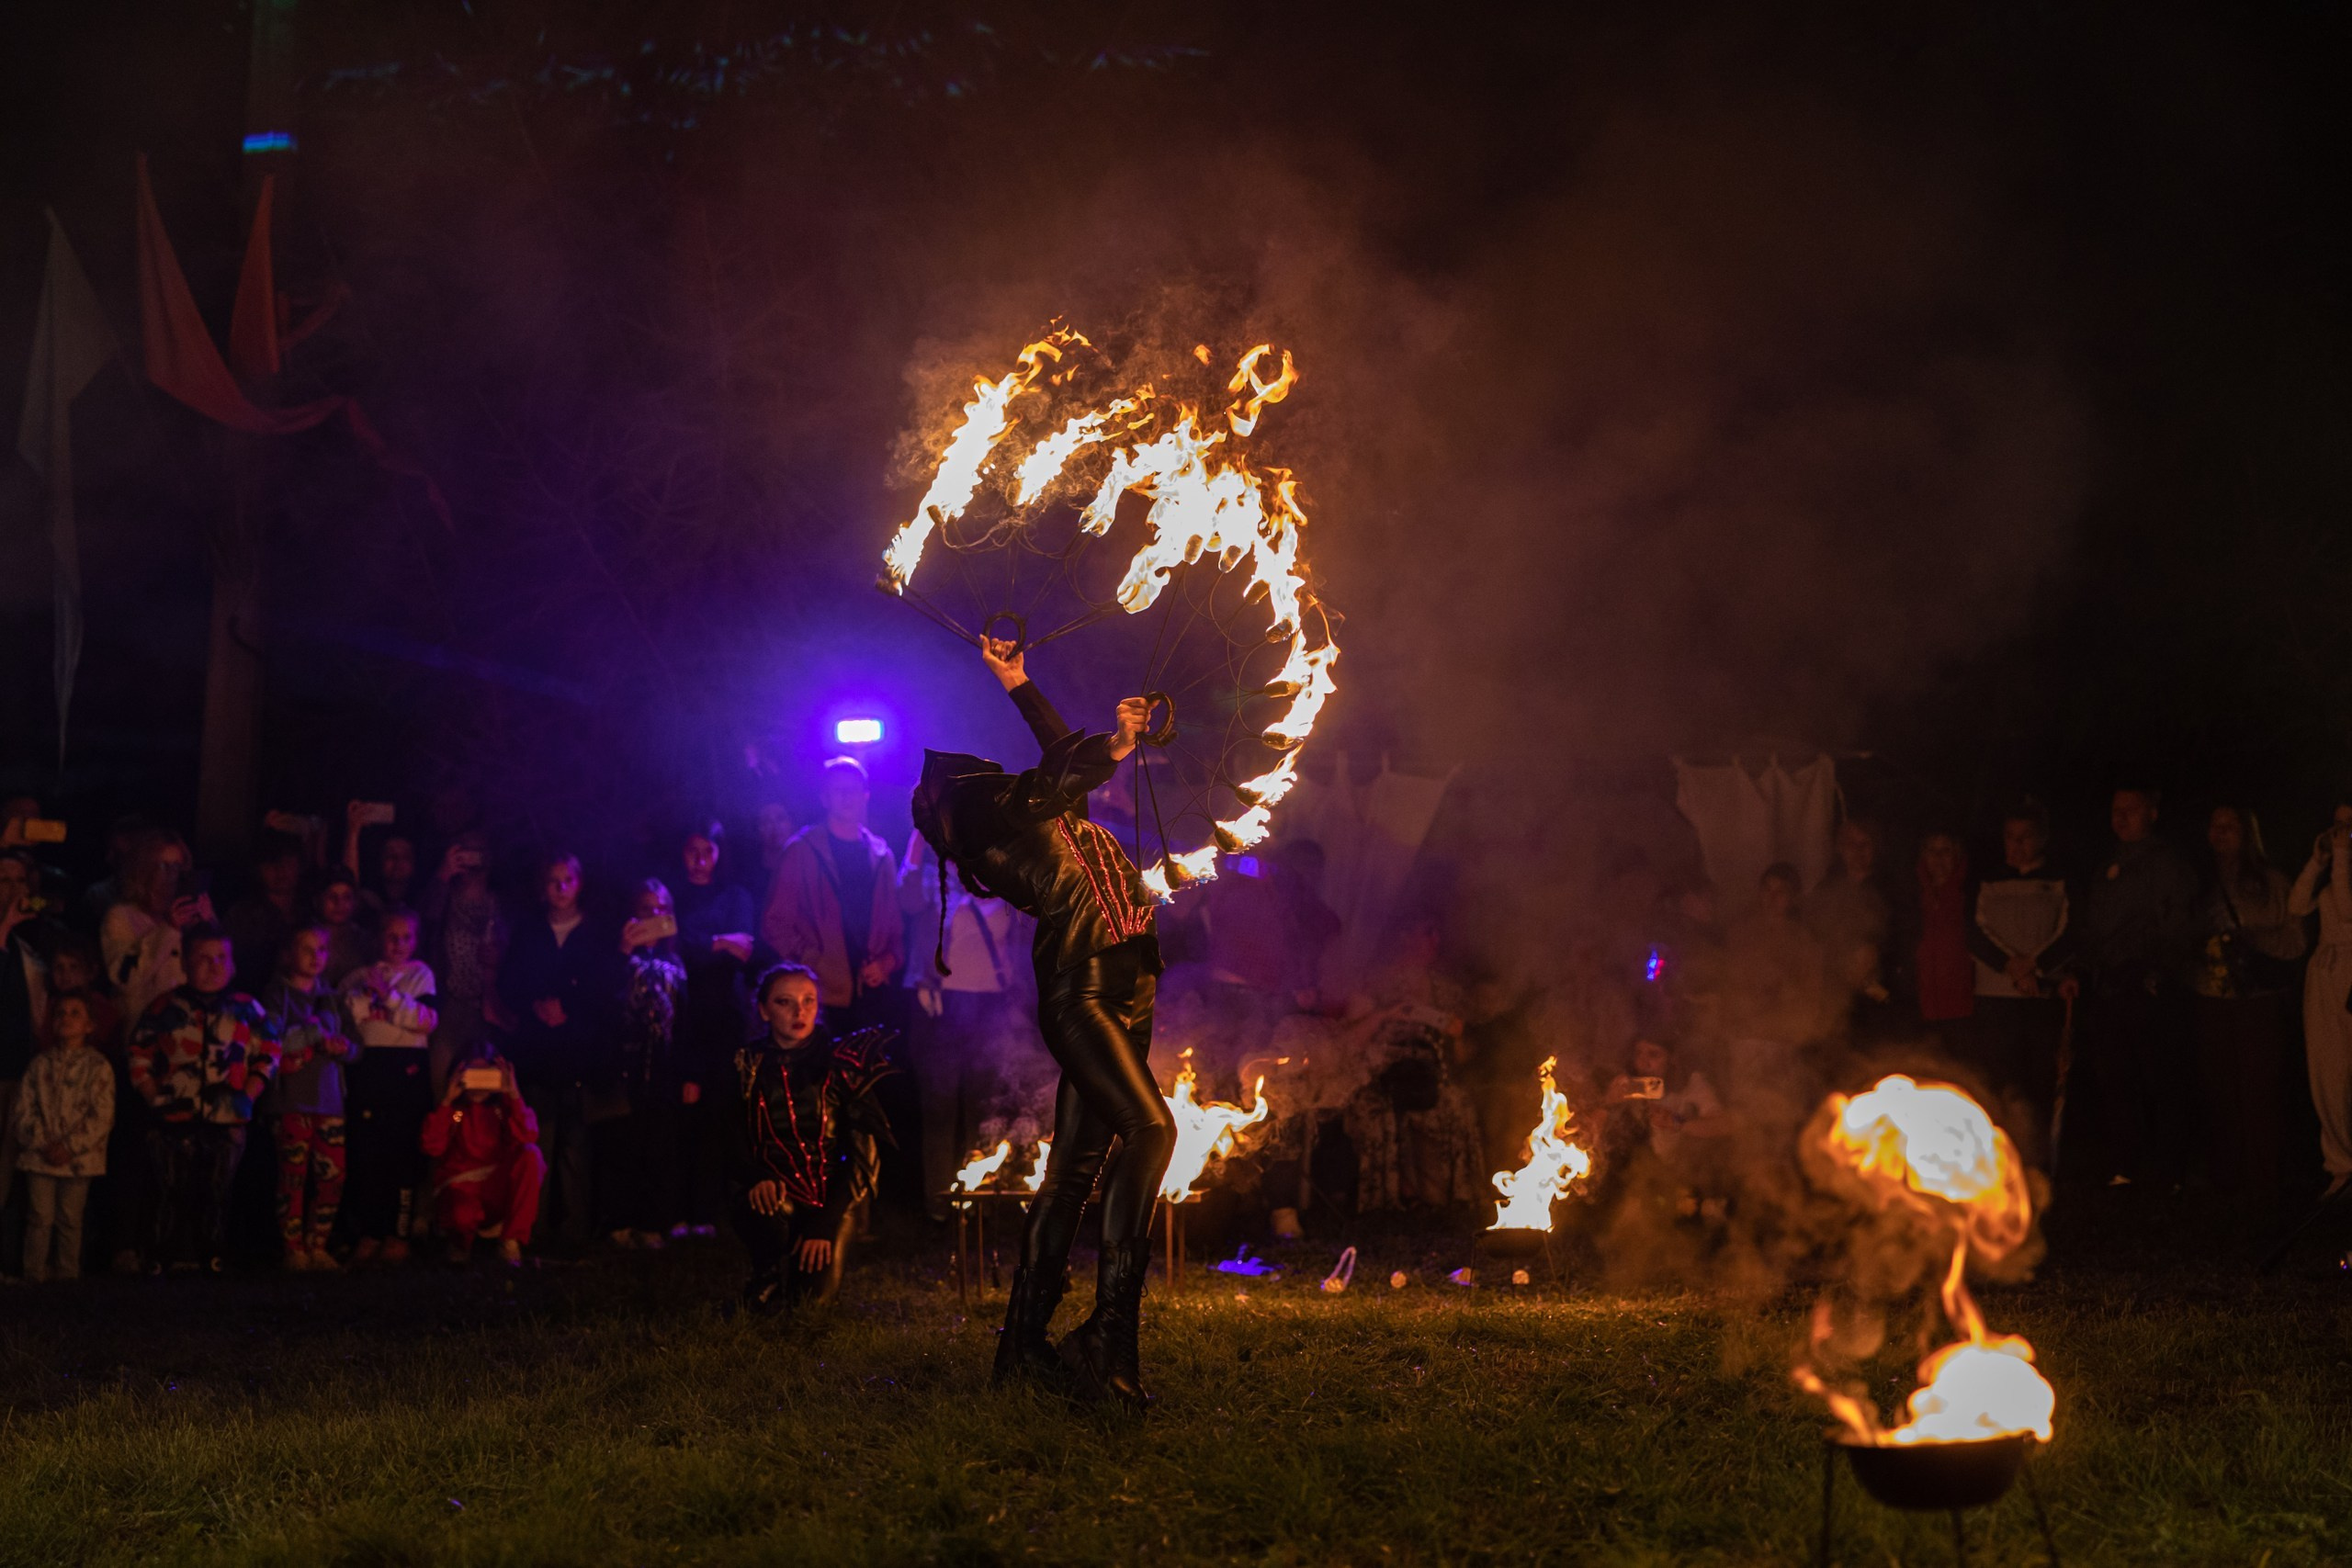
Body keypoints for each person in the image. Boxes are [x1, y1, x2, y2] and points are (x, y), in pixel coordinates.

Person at [911, 637, 1171, 1406]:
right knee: (1153, 1130)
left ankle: (1022, 1349)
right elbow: (1059, 770)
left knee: (1071, 1177)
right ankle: (1109, 1334)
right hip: (1082, 988)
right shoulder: (992, 821)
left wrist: (1018, 682)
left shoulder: (1040, 815)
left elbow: (1061, 760)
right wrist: (1119, 743)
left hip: (1130, 982)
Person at [716, 964, 896, 1314]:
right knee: (762, 1206)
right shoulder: (745, 1065)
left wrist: (825, 1224)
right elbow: (729, 1137)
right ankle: (767, 1272)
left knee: (810, 1304)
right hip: (774, 1195)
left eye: (808, 1001)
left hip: (832, 1199)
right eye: (785, 1002)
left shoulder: (843, 1064)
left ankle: (799, 1267)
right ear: (764, 1010)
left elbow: (862, 1160)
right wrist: (757, 1177)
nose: (800, 1012)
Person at [127, 926, 280, 1271]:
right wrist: (152, 1095)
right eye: (203, 959)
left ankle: (214, 1256)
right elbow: (139, 1050)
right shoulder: (165, 1006)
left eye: (221, 958)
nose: (213, 967)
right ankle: (161, 1256)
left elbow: (270, 1050)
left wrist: (252, 1090)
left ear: (233, 964)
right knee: (170, 1188)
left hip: (228, 1115)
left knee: (218, 1191)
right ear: (185, 962)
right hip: (173, 1115)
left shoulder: (247, 1008)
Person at [900, 833, 1031, 1222]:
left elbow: (1021, 942)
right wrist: (916, 841)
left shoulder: (1004, 888)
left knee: (982, 1108)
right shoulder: (934, 885)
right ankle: (940, 1206)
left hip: (990, 1008)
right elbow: (905, 898)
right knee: (939, 1108)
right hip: (941, 1005)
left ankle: (973, 1201)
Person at [2077, 787, 2199, 1185]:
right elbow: (2095, 924)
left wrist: (2160, 972)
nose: (2121, 817)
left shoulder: (2166, 863)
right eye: (2116, 810)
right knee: (2116, 1079)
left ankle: (2171, 1169)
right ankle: (2127, 1165)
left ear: (2153, 812)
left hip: (2146, 982)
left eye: (2131, 810)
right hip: (2110, 985)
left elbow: (2178, 922)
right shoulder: (2108, 863)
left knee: (2161, 1078)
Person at [498, 852, 619, 1249]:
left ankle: (572, 1233)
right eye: (553, 880)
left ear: (579, 883)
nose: (561, 887)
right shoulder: (528, 931)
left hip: (580, 1054)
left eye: (568, 879)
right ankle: (530, 1229)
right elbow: (510, 982)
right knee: (537, 1141)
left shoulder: (597, 933)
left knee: (575, 1146)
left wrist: (570, 1006)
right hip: (537, 1054)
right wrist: (535, 1005)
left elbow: (606, 989)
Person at [2188, 806, 2304, 1204]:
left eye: (2230, 827)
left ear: (2247, 832)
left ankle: (2263, 1180)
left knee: (2260, 1091)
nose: (2220, 834)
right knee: (2219, 1089)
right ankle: (2227, 1175)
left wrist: (2251, 941)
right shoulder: (2196, 884)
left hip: (2256, 999)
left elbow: (2296, 942)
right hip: (2211, 997)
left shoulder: (2272, 883)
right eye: (2214, 826)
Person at [1967, 800, 2076, 1160]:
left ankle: (2040, 1155)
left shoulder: (2059, 880)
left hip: (2041, 996)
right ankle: (2003, 1152)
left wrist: (2036, 967)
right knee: (2001, 1079)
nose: (2017, 845)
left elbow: (2071, 932)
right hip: (1996, 996)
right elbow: (1977, 933)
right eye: (2010, 838)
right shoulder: (1989, 880)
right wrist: (2010, 966)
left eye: (2025, 838)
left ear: (2041, 838)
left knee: (2040, 1080)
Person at [762, 757, 904, 1032]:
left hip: (871, 995)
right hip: (818, 998)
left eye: (852, 789)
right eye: (837, 789)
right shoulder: (801, 851)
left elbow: (895, 929)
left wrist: (887, 962)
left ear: (865, 796)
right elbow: (775, 922)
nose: (846, 796)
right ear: (824, 798)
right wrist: (814, 964)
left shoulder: (882, 855)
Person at [671, 822, 756, 1236]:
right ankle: (678, 1210)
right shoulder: (672, 896)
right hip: (681, 1016)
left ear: (720, 852)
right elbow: (674, 945)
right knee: (680, 1113)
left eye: (708, 850)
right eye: (692, 849)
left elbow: (743, 950)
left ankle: (713, 1211)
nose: (700, 858)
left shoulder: (736, 896)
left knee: (721, 1114)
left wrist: (700, 944)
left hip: (725, 1018)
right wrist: (716, 944)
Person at [341, 909, 439, 1264]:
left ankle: (399, 1234)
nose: (399, 945)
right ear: (378, 938)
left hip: (407, 1072)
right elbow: (349, 1017)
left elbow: (426, 1021)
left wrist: (391, 1000)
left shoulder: (421, 975)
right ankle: (371, 1231)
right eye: (392, 937)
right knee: (369, 1154)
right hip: (370, 1069)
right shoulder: (356, 976)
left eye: (407, 938)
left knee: (403, 1153)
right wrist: (375, 1000)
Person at [260, 926, 358, 1269]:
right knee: (293, 1175)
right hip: (291, 1102)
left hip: (330, 1101)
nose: (316, 956)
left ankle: (319, 1244)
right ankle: (293, 1249)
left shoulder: (332, 997)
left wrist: (342, 1047)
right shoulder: (276, 995)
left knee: (332, 1175)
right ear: (289, 953)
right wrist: (316, 1031)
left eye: (321, 950)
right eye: (307, 949)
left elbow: (356, 1046)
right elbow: (274, 1041)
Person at [603, 879, 689, 1249]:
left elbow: (686, 1019)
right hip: (626, 1064)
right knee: (624, 1143)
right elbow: (603, 1000)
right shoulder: (619, 956)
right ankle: (620, 1220)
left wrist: (690, 1073)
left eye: (660, 909)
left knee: (660, 1145)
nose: (653, 917)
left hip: (665, 1065)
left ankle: (654, 1222)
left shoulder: (675, 961)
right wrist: (623, 951)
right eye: (644, 910)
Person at [12, 993, 115, 1281]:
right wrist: (44, 1143)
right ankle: (34, 1273)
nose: (66, 1019)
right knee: (39, 1217)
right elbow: (23, 1110)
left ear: (90, 1025)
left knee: (70, 1218)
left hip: (79, 1160)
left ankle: (67, 1274)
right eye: (60, 1013)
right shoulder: (39, 1065)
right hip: (39, 1156)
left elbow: (102, 1116)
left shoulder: (98, 1068)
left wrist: (70, 1146)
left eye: (75, 1013)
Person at [421, 1045, 543, 1265]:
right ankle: (460, 1243)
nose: (479, 1083)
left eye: (485, 1075)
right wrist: (447, 1102)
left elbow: (528, 1136)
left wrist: (513, 1094)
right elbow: (432, 1147)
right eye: (472, 1074)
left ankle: (511, 1240)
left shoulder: (501, 1110)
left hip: (496, 1190)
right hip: (462, 1189)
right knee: (462, 1214)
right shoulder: (457, 1113)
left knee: (531, 1155)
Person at [2289, 803, 2352, 1195]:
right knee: (2328, 1071)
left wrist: (2343, 857)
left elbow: (2348, 914)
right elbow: (2296, 906)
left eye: (2350, 824)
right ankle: (2342, 1165)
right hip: (2325, 974)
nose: (2342, 831)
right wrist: (2317, 861)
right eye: (2338, 823)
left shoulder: (2345, 874)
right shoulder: (2335, 872)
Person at [420, 830, 503, 1095]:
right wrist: (443, 875)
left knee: (484, 1092)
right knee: (442, 1089)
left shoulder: (500, 903)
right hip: (449, 1007)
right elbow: (419, 921)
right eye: (465, 850)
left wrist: (501, 960)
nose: (473, 857)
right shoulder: (444, 898)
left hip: (488, 1009)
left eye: (479, 850)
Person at [102, 829, 204, 1039]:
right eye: (164, 866)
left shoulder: (189, 915)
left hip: (187, 1035)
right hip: (143, 1035)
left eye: (178, 867)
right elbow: (126, 979)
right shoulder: (121, 917)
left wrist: (207, 925)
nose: (172, 875)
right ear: (144, 870)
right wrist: (168, 930)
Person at [1802, 819, 1891, 1031]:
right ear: (1840, 848)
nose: (1858, 851)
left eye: (1865, 844)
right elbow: (1811, 935)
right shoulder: (1827, 888)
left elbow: (1904, 937)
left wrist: (1877, 951)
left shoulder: (1890, 889)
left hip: (1879, 999)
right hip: (1835, 997)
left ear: (1875, 848)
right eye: (1852, 844)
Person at [1, 848, 49, 1217]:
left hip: (17, 1068)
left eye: (21, 880)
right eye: (5, 880)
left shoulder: (26, 946)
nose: (15, 889)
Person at [1894, 831, 1976, 1041]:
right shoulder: (1911, 894)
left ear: (1957, 854)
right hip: (1920, 1000)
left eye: (1945, 851)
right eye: (1932, 851)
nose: (1938, 858)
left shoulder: (1971, 893)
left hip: (1963, 1001)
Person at [222, 833, 306, 995]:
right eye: (271, 862)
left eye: (287, 862)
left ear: (299, 865)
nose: (280, 869)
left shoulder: (311, 910)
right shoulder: (242, 915)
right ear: (258, 869)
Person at [315, 871, 371, 986]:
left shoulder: (364, 940)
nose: (339, 903)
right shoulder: (308, 938)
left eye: (346, 897)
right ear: (318, 900)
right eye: (332, 897)